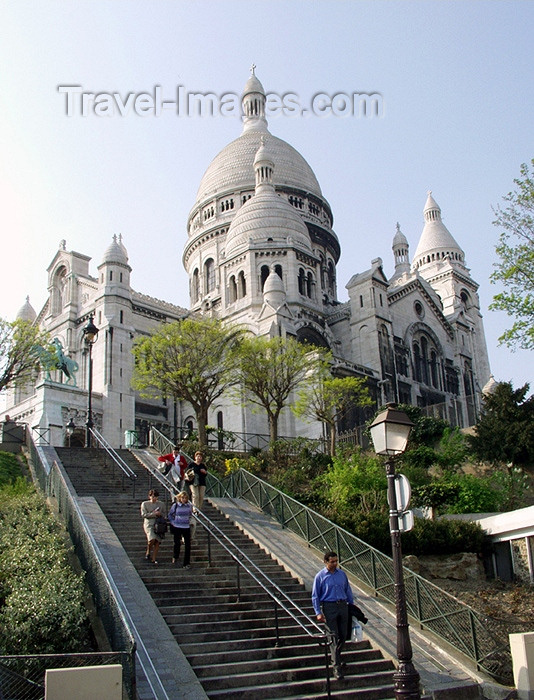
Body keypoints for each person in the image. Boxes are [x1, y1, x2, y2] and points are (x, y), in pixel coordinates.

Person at [312, 551, 354, 680]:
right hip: (329, 606)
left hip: (342, 605)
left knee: (343, 635)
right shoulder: (320, 576)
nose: (335, 564)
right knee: (333, 636)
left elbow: (348, 590)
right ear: (326, 562)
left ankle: (336, 657)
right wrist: (318, 612)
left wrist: (351, 606)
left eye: (336, 561)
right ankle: (336, 667)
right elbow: (315, 596)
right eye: (332, 562)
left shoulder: (342, 574)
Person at [168, 490, 193, 568]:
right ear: (179, 498)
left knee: (188, 545)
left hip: (186, 526)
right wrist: (173, 522)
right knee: (177, 543)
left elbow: (190, 514)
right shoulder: (176, 505)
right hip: (177, 526)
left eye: (185, 498)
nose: (184, 499)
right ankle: (175, 556)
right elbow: (170, 514)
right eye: (182, 498)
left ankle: (186, 562)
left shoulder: (189, 506)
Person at [140, 489, 166, 564]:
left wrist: (160, 514)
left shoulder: (161, 504)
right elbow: (143, 515)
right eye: (153, 496)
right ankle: (148, 551)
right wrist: (153, 514)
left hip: (159, 524)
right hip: (149, 524)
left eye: (156, 497)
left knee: (157, 541)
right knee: (152, 539)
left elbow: (164, 514)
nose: (154, 498)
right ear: (149, 496)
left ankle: (154, 558)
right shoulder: (145, 504)